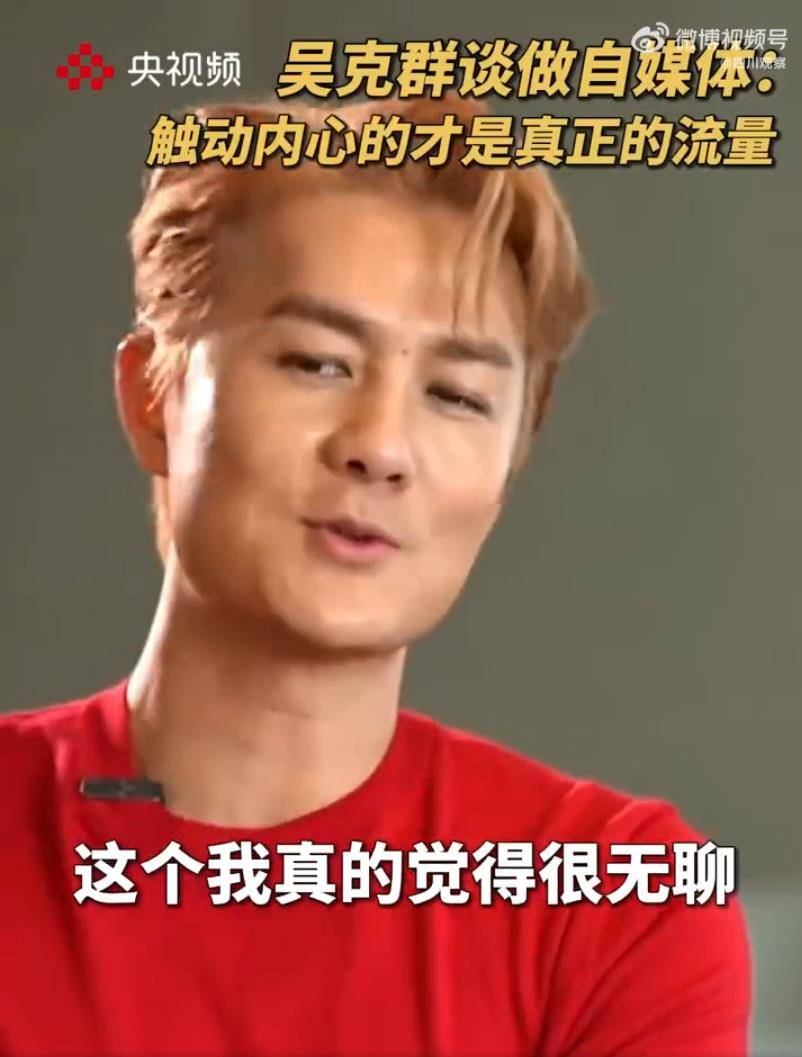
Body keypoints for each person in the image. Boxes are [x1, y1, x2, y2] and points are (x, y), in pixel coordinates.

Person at [0, 93, 751, 1056]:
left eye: (457, 395)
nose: (382, 446)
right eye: (317, 362)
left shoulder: (610, 903)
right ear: (154, 396)